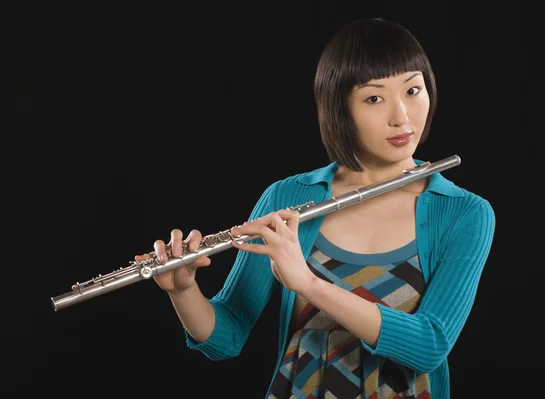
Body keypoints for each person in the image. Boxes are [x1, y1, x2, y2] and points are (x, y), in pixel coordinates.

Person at [135, 17, 495, 399]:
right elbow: (228, 336)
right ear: (341, 108)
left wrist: (307, 283)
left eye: (412, 90)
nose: (401, 117)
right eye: (375, 98)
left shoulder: (463, 213)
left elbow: (428, 347)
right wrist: (183, 291)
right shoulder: (286, 197)